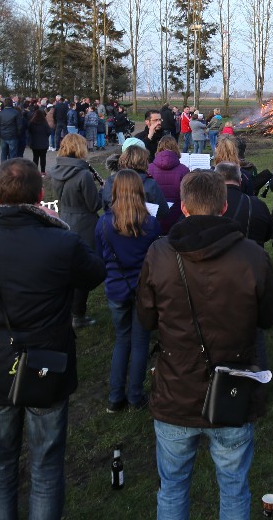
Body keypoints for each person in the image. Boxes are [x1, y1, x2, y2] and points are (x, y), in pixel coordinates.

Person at [0, 158, 106, 520]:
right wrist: (58, 225)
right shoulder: (61, 240)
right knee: (44, 464)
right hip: (45, 362)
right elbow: (94, 272)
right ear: (40, 198)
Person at [135, 170, 273, 520]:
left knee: (177, 486)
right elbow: (268, 317)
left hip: (187, 388)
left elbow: (146, 318)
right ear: (224, 206)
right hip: (219, 385)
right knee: (229, 487)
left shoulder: (161, 254)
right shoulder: (249, 255)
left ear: (184, 207)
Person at [95, 169, 162, 413]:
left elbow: (99, 256)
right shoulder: (150, 224)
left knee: (123, 339)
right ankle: (134, 395)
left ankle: (116, 397)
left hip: (116, 289)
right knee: (140, 342)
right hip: (142, 289)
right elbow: (156, 258)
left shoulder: (103, 223)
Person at [48, 133, 104, 330]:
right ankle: (78, 314)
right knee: (83, 270)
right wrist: (103, 190)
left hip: (64, 219)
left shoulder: (55, 170)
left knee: (68, 269)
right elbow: (94, 205)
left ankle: (66, 310)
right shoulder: (83, 174)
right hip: (85, 224)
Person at [101, 143, 169, 223]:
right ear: (144, 161)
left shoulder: (111, 181)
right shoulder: (150, 184)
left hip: (115, 224)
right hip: (143, 225)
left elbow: (106, 205)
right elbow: (162, 212)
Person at [148, 135, 190, 227]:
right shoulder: (184, 170)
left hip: (154, 217)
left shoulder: (149, 168)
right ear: (176, 147)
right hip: (177, 217)